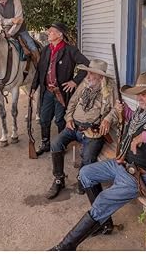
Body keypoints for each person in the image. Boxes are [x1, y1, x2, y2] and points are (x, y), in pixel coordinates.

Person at [49, 71, 146, 251]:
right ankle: (104, 223)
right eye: (138, 94)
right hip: (122, 163)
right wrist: (125, 111)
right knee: (85, 173)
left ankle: (65, 247)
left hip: (137, 175)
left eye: (143, 93)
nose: (139, 98)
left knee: (102, 201)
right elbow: (134, 123)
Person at [46, 59, 118, 201]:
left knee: (88, 156)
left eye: (92, 74)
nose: (88, 76)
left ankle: (82, 178)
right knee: (55, 144)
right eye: (88, 73)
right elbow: (72, 102)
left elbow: (117, 108)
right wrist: (69, 119)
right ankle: (59, 179)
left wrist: (108, 118)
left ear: (101, 77)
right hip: (74, 126)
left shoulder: (110, 89)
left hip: (93, 131)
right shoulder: (85, 84)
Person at [30, 23, 90, 156]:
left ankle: (60, 145)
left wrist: (75, 81)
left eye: (51, 31)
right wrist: (34, 87)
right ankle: (45, 143)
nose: (48, 33)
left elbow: (87, 64)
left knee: (60, 120)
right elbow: (40, 71)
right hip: (47, 91)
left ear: (60, 35)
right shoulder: (46, 50)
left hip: (61, 92)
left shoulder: (70, 50)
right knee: (44, 118)